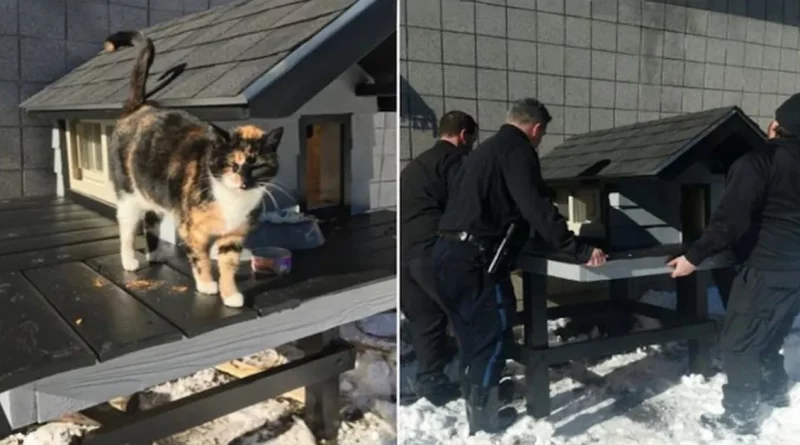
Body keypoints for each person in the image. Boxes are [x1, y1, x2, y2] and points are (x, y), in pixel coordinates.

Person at [433, 98, 607, 434]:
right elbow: (536, 206)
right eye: (541, 136)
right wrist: (577, 249)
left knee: (471, 336)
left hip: (446, 253)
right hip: (477, 259)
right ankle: (483, 423)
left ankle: (477, 402)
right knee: (494, 334)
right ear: (537, 128)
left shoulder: (482, 154)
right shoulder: (518, 151)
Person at [668, 93, 800, 435]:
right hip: (795, 273)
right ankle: (774, 391)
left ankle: (739, 416)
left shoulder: (758, 163)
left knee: (739, 341)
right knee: (771, 333)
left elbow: (729, 220)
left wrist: (693, 257)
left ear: (775, 126)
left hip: (764, 270)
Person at [400, 110, 478, 406]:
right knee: (466, 315)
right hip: (433, 252)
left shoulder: (416, 165)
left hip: (405, 254)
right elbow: (466, 208)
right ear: (463, 135)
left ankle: (431, 380)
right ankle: (477, 383)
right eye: (472, 139)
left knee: (426, 320)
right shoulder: (455, 162)